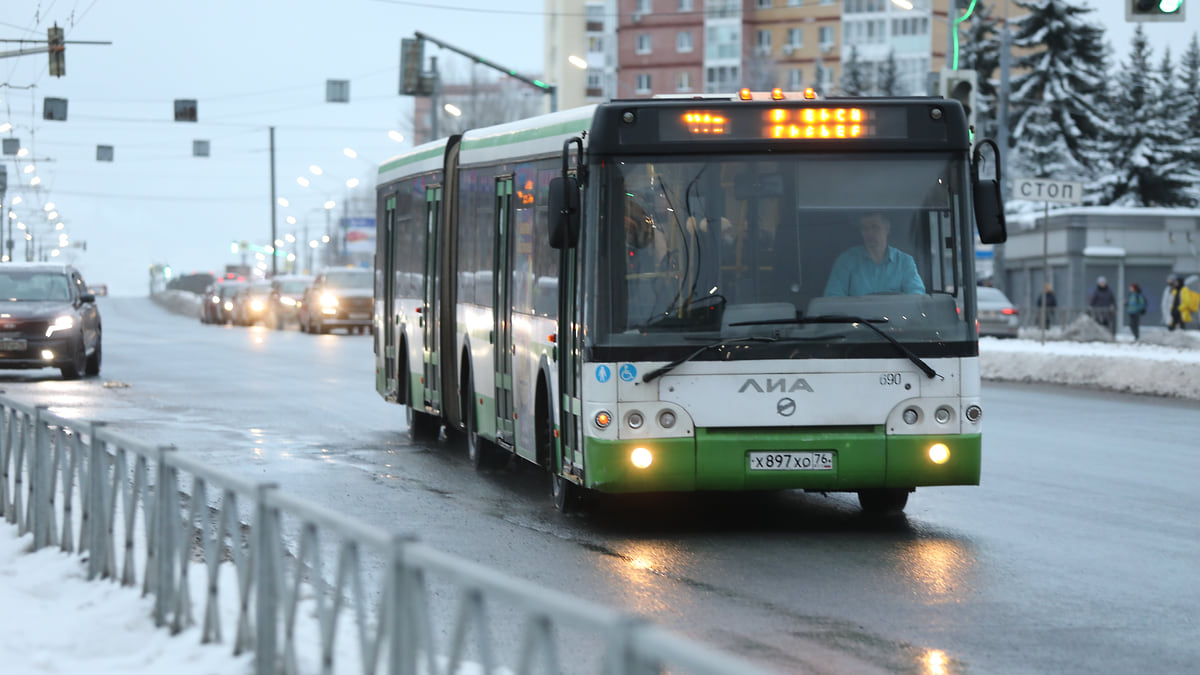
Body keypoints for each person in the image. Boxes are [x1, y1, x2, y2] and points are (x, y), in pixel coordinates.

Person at [824, 212, 925, 297]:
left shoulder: (904, 262)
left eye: (875, 227)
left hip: (895, 320)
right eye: (865, 229)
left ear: (887, 229)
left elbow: (917, 297)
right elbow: (832, 298)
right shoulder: (846, 261)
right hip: (857, 320)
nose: (869, 233)